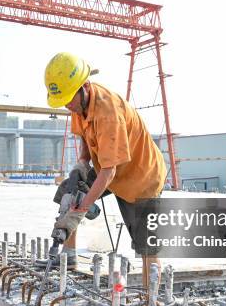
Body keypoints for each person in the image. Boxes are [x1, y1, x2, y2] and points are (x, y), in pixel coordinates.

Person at [44, 52, 167, 290]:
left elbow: (109, 173)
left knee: (146, 242)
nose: (68, 105)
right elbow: (84, 136)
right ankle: (68, 256)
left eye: (70, 99)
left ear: (85, 86)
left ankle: (151, 298)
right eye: (64, 101)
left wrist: (80, 210)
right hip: (108, 169)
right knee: (69, 193)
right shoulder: (79, 103)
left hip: (140, 177)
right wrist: (82, 163)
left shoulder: (108, 113)